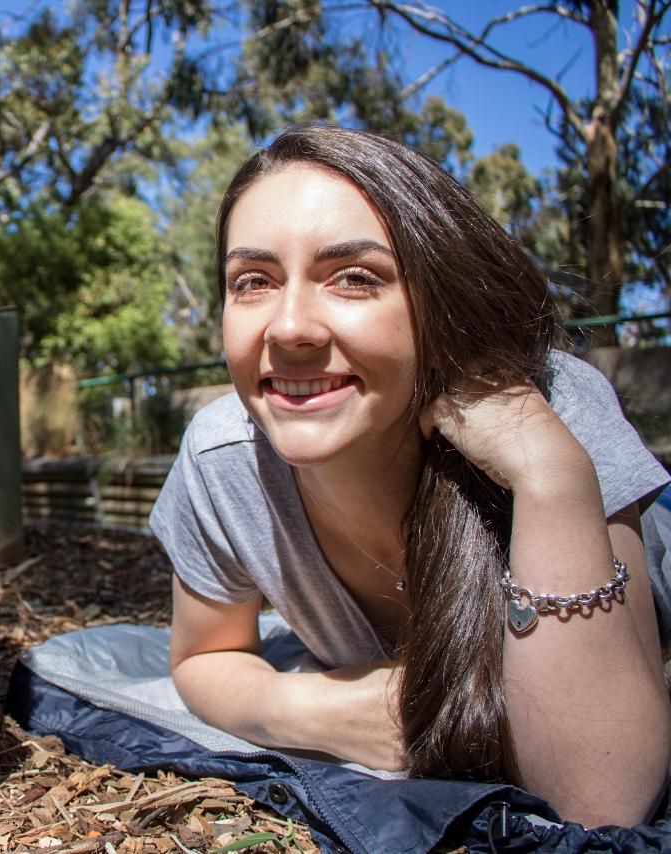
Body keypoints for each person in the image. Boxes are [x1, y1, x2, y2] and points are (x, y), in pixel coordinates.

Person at [150, 124, 671, 829]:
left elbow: (599, 799)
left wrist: (550, 479)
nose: (290, 327)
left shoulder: (560, 414)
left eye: (355, 278)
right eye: (253, 282)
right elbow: (205, 657)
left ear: (440, 302)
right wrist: (317, 708)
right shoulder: (222, 458)